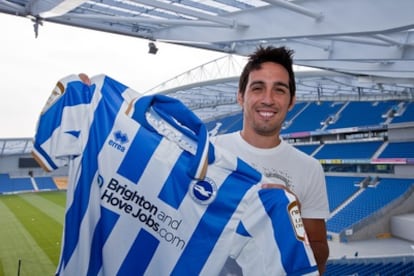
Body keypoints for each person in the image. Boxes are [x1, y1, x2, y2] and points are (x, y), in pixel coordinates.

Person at [212, 45, 330, 275]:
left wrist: (290, 214)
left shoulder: (310, 168)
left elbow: (319, 253)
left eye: (279, 90)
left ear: (291, 101)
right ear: (240, 97)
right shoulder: (212, 151)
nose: (268, 99)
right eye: (257, 88)